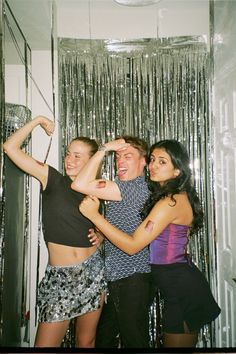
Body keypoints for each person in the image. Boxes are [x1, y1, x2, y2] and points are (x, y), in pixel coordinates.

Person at [79, 139, 221, 348]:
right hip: (173, 285)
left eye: (162, 162)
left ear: (177, 171)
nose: (153, 165)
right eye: (153, 159)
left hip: (181, 288)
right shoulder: (163, 196)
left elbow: (133, 245)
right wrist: (103, 234)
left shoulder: (170, 201)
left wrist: (95, 217)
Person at [2, 116, 107, 348]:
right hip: (60, 279)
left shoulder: (99, 190)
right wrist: (37, 121)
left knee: (86, 342)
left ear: (93, 161)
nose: (69, 160)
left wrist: (101, 236)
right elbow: (9, 147)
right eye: (68, 153)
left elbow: (105, 228)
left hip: (93, 272)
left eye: (77, 156)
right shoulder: (53, 179)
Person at [71, 136, 152, 348]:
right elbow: (128, 226)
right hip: (121, 278)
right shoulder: (127, 188)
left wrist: (104, 148)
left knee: (135, 343)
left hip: (132, 279)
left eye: (128, 156)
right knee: (106, 340)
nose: (120, 162)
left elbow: (79, 184)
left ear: (144, 161)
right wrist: (103, 235)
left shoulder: (131, 189)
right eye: (117, 157)